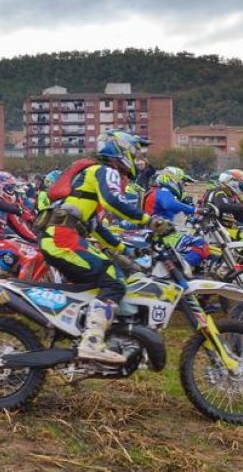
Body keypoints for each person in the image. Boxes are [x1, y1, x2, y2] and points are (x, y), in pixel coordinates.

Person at [39, 131, 161, 364]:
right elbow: (113, 202)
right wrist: (150, 221)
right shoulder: (104, 171)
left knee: (110, 272)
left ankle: (77, 331)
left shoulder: (94, 173)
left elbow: (96, 227)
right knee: (113, 278)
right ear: (121, 150)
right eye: (135, 153)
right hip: (62, 238)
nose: (138, 159)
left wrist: (127, 251)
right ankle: (92, 342)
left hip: (63, 236)